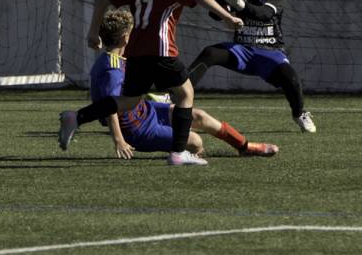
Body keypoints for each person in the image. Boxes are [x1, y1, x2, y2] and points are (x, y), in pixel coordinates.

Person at [58, 0, 243, 166]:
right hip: (162, 51)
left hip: (136, 54)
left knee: (129, 101)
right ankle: (178, 152)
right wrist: (227, 17)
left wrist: (93, 32)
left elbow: (104, 1)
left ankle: (77, 116)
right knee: (186, 93)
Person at [92, 10, 278, 159]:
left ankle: (244, 146)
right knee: (195, 142)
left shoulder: (124, 57)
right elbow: (110, 106)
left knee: (199, 115)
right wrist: (119, 140)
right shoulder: (112, 69)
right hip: (135, 129)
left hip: (146, 111)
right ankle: (183, 152)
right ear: (126, 38)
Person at [188, 0, 316, 133]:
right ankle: (176, 96)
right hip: (242, 51)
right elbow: (214, 16)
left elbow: (264, 14)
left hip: (270, 53)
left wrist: (239, 3)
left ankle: (299, 113)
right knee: (210, 53)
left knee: (292, 79)